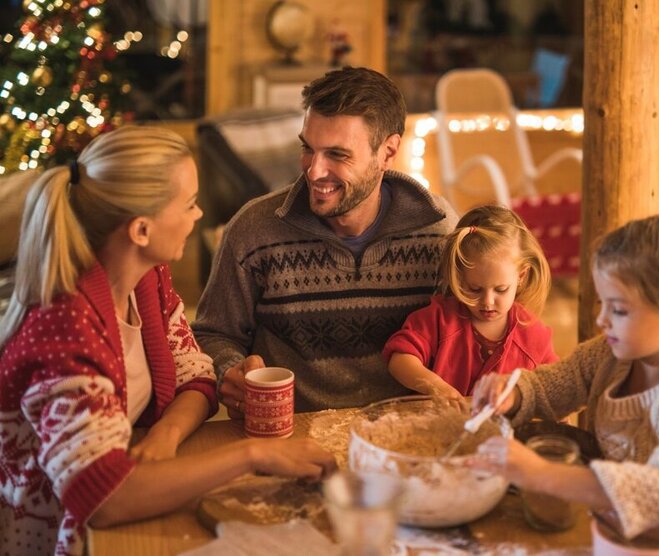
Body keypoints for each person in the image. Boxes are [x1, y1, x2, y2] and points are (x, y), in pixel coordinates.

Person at [0, 127, 336, 556]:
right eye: (190, 204)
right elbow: (104, 498)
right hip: (60, 536)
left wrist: (167, 432)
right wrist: (253, 455)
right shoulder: (66, 327)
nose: (198, 215)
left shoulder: (146, 277)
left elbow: (196, 375)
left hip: (135, 484)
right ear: (141, 230)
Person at [193, 67, 458, 414]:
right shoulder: (252, 230)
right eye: (308, 148)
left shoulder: (440, 232)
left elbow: (485, 328)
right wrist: (229, 369)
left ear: (388, 152)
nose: (314, 171)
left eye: (337, 154)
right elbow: (212, 335)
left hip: (405, 433)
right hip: (291, 433)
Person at [469, 215, 659, 555]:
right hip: (612, 534)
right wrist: (513, 394)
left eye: (618, 310)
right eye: (601, 304)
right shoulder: (609, 356)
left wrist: (542, 473)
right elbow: (551, 386)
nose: (601, 320)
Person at [383, 205, 557, 404]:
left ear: (521, 276)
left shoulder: (533, 335)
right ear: (459, 276)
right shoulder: (440, 319)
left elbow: (553, 387)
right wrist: (435, 386)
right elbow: (400, 359)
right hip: (441, 422)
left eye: (501, 289)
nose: (487, 301)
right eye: (474, 289)